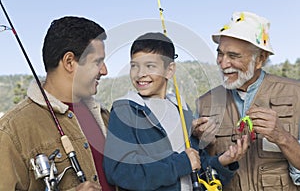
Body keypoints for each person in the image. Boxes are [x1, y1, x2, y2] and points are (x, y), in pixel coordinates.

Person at [103, 32, 248, 190]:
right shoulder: (124, 110)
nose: (140, 74)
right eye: (134, 66)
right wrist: (181, 163)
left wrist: (222, 162)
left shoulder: (182, 111)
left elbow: (197, 164)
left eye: (150, 66)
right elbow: (119, 172)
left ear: (169, 70)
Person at [0, 16, 115, 191]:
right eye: (97, 62)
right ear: (69, 62)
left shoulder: (105, 117)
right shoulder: (11, 130)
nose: (105, 71)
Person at [195, 11, 300, 190]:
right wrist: (204, 143)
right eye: (220, 54)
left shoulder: (296, 93)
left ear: (260, 59)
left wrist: (282, 137)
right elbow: (200, 172)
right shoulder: (204, 103)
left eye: (233, 56)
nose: (223, 63)